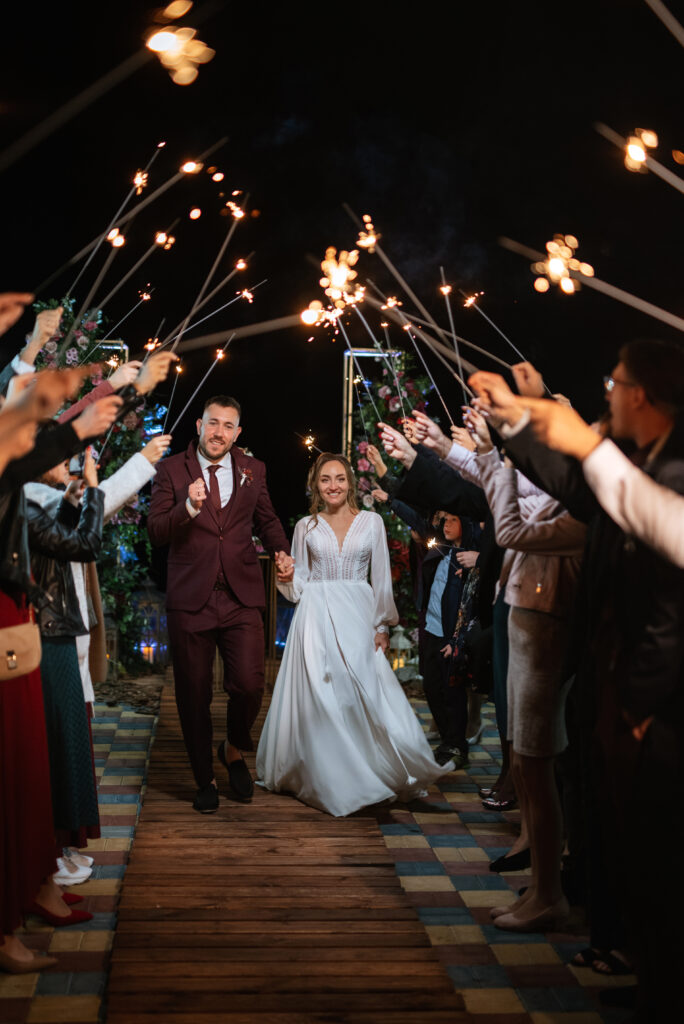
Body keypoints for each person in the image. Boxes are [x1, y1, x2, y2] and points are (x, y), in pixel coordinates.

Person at [256, 452, 454, 817]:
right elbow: (299, 584)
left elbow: (380, 578)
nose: (333, 486)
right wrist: (286, 576)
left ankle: (374, 766)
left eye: (340, 479)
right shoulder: (306, 527)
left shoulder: (372, 523)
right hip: (314, 617)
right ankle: (333, 776)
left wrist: (381, 625)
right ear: (316, 486)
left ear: (350, 482)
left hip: (358, 615)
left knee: (364, 691)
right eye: (325, 480)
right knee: (322, 695)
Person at [147, 395, 292, 813]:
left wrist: (280, 552)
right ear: (199, 425)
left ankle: (231, 745)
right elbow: (156, 530)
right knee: (193, 694)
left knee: (249, 684)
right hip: (191, 597)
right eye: (213, 423)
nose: (219, 432)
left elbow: (265, 519)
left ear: (238, 432)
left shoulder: (253, 468)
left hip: (241, 593)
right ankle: (204, 778)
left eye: (228, 426)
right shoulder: (171, 469)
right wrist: (188, 506)